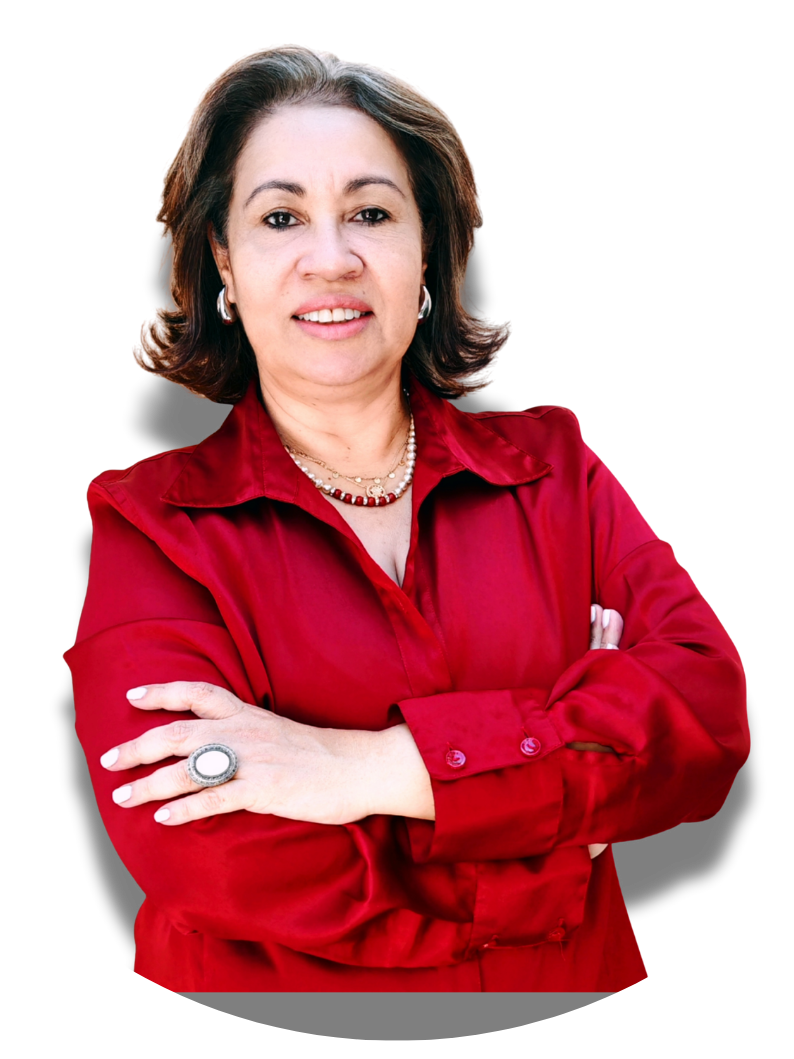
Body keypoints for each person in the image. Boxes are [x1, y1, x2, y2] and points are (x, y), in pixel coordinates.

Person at [63, 45, 749, 992]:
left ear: (427, 249)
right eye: (280, 217)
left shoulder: (557, 469)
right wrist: (560, 824)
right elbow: (215, 860)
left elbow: (705, 715)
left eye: (372, 213)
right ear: (223, 258)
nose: (332, 258)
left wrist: (357, 768)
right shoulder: (150, 523)